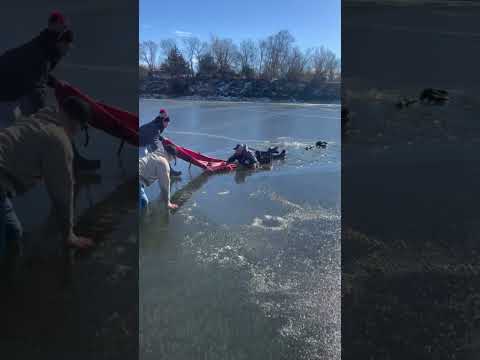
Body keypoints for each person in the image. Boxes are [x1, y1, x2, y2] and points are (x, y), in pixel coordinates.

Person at [0, 96, 95, 273]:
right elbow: (62, 195)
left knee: (13, 234)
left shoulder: (38, 118)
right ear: (76, 123)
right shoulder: (58, 140)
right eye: (82, 128)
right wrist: (69, 235)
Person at [0, 12, 99, 172]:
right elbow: (35, 84)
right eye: (68, 46)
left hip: (12, 86)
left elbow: (35, 72)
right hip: (6, 89)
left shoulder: (46, 45)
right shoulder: (42, 53)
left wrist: (54, 82)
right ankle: (71, 162)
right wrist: (47, 113)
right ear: (61, 43)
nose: (69, 50)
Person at [139, 108, 181, 177]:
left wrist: (161, 138)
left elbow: (154, 134)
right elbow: (153, 140)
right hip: (141, 141)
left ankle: (169, 171)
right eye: (167, 123)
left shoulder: (157, 123)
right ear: (164, 122)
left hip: (145, 140)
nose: (168, 125)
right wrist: (162, 148)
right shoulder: (157, 128)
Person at [139, 142, 179, 211]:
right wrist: (168, 202)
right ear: (170, 155)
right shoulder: (163, 162)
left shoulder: (155, 153)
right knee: (144, 203)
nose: (171, 161)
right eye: (173, 159)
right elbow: (165, 185)